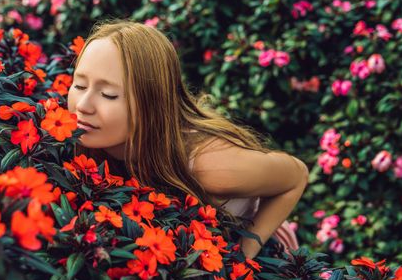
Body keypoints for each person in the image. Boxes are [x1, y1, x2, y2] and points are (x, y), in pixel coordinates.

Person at [67, 19, 309, 259]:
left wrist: (244, 253)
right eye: (79, 85)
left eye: (108, 95)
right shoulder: (84, 138)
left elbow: (296, 176)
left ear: (151, 103)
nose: (84, 105)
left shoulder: (211, 167)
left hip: (265, 251)